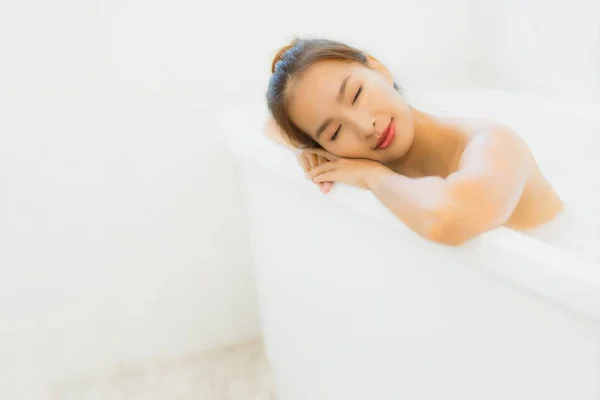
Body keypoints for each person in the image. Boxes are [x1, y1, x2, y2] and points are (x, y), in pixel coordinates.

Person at [263, 37, 564, 246]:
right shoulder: (360, 149)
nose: (366, 127)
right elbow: (270, 126)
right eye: (335, 133)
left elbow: (443, 219)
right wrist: (308, 149)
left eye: (356, 94)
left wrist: (372, 176)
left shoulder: (493, 142)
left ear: (378, 67)